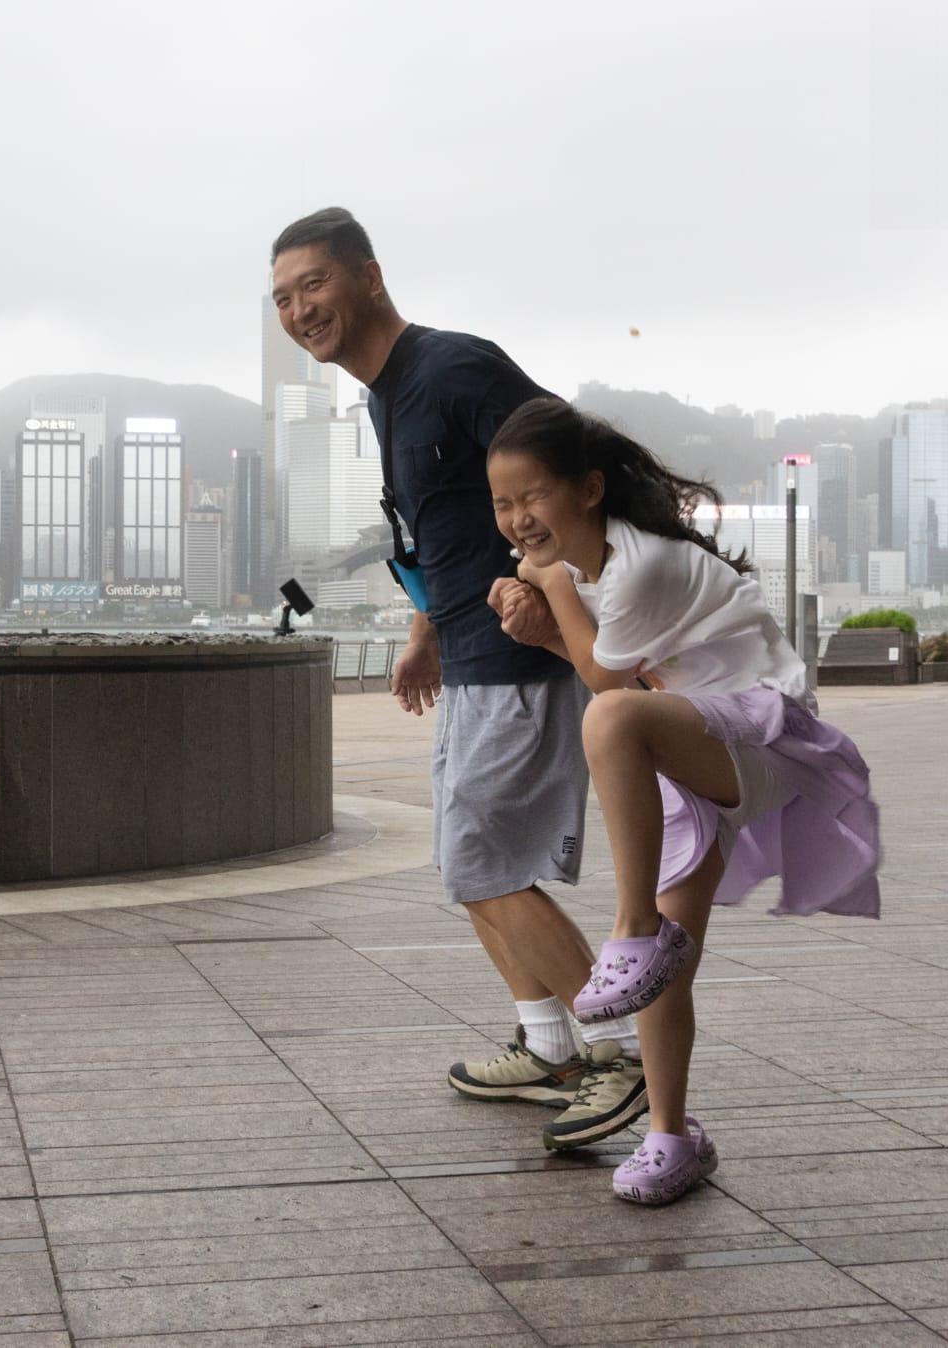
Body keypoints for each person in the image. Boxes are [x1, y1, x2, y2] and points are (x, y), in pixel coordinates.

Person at [269, 207, 648, 1151]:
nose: (299, 308)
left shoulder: (454, 368)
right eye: (281, 297)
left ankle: (618, 1056)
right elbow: (450, 528)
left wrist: (551, 588)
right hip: (471, 651)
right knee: (469, 861)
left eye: (313, 283)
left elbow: (567, 465)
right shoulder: (387, 395)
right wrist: (424, 627)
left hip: (518, 654)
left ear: (368, 276)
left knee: (486, 863)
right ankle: (548, 1044)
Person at [487, 397, 882, 1204]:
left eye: (533, 496)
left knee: (610, 715)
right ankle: (671, 1136)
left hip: (763, 739)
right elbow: (613, 665)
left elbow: (607, 682)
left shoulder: (641, 564)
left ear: (590, 488)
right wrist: (544, 625)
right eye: (503, 503)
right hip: (689, 746)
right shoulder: (596, 571)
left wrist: (548, 587)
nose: (519, 518)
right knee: (673, 961)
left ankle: (631, 930)